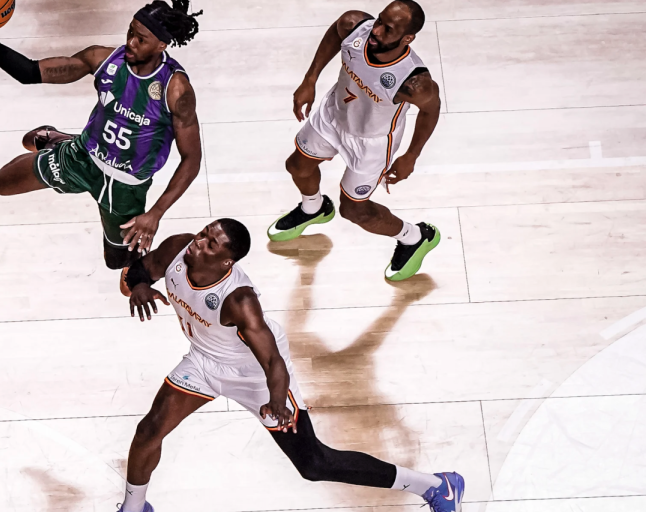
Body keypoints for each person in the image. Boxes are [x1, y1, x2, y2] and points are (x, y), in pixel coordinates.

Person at [120, 219, 465, 512]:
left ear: (227, 263)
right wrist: (138, 286)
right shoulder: (177, 249)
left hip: (254, 376)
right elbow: (140, 270)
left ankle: (435, 486)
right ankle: (133, 508)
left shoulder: (239, 300)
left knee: (314, 464)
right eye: (204, 234)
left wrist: (277, 400)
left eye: (211, 244)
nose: (199, 243)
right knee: (149, 430)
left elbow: (273, 361)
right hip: (203, 362)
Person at [0, 0, 203, 270]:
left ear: (162, 44)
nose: (130, 43)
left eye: (141, 39)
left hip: (125, 187)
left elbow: (192, 159)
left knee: (117, 261)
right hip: (83, 157)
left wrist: (156, 212)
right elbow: (29, 72)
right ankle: (62, 144)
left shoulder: (176, 89)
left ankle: (55, 140)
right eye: (130, 33)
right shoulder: (104, 59)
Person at [268, 0, 442, 281]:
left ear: (407, 38)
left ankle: (415, 236)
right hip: (334, 115)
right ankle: (313, 208)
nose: (377, 31)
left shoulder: (413, 82)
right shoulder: (354, 27)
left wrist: (411, 155)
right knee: (297, 165)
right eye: (380, 20)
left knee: (354, 211)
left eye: (389, 29)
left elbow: (431, 111)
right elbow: (334, 35)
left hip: (371, 142)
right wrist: (310, 79)